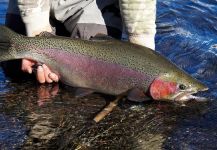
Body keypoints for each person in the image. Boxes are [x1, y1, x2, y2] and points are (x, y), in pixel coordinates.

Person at [5, 0, 156, 83]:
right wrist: (37, 39)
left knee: (96, 73)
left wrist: (144, 61)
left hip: (92, 3)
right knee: (14, 67)